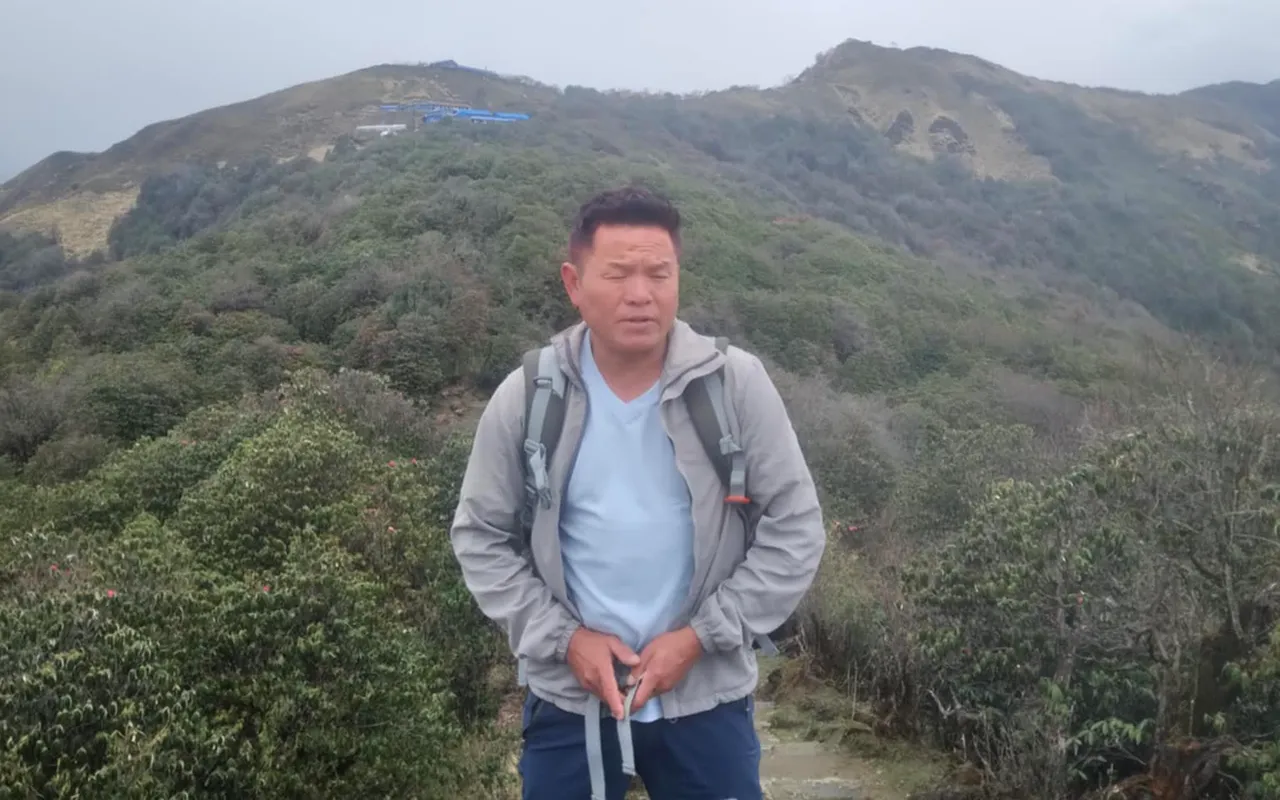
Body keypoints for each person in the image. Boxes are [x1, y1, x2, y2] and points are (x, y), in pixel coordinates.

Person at [449, 186, 826, 800]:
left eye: (659, 273)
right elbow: (480, 535)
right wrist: (565, 641)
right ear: (574, 283)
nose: (640, 294)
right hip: (571, 703)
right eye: (618, 273)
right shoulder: (530, 395)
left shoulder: (733, 386)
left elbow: (797, 526)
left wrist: (701, 637)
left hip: (704, 701)